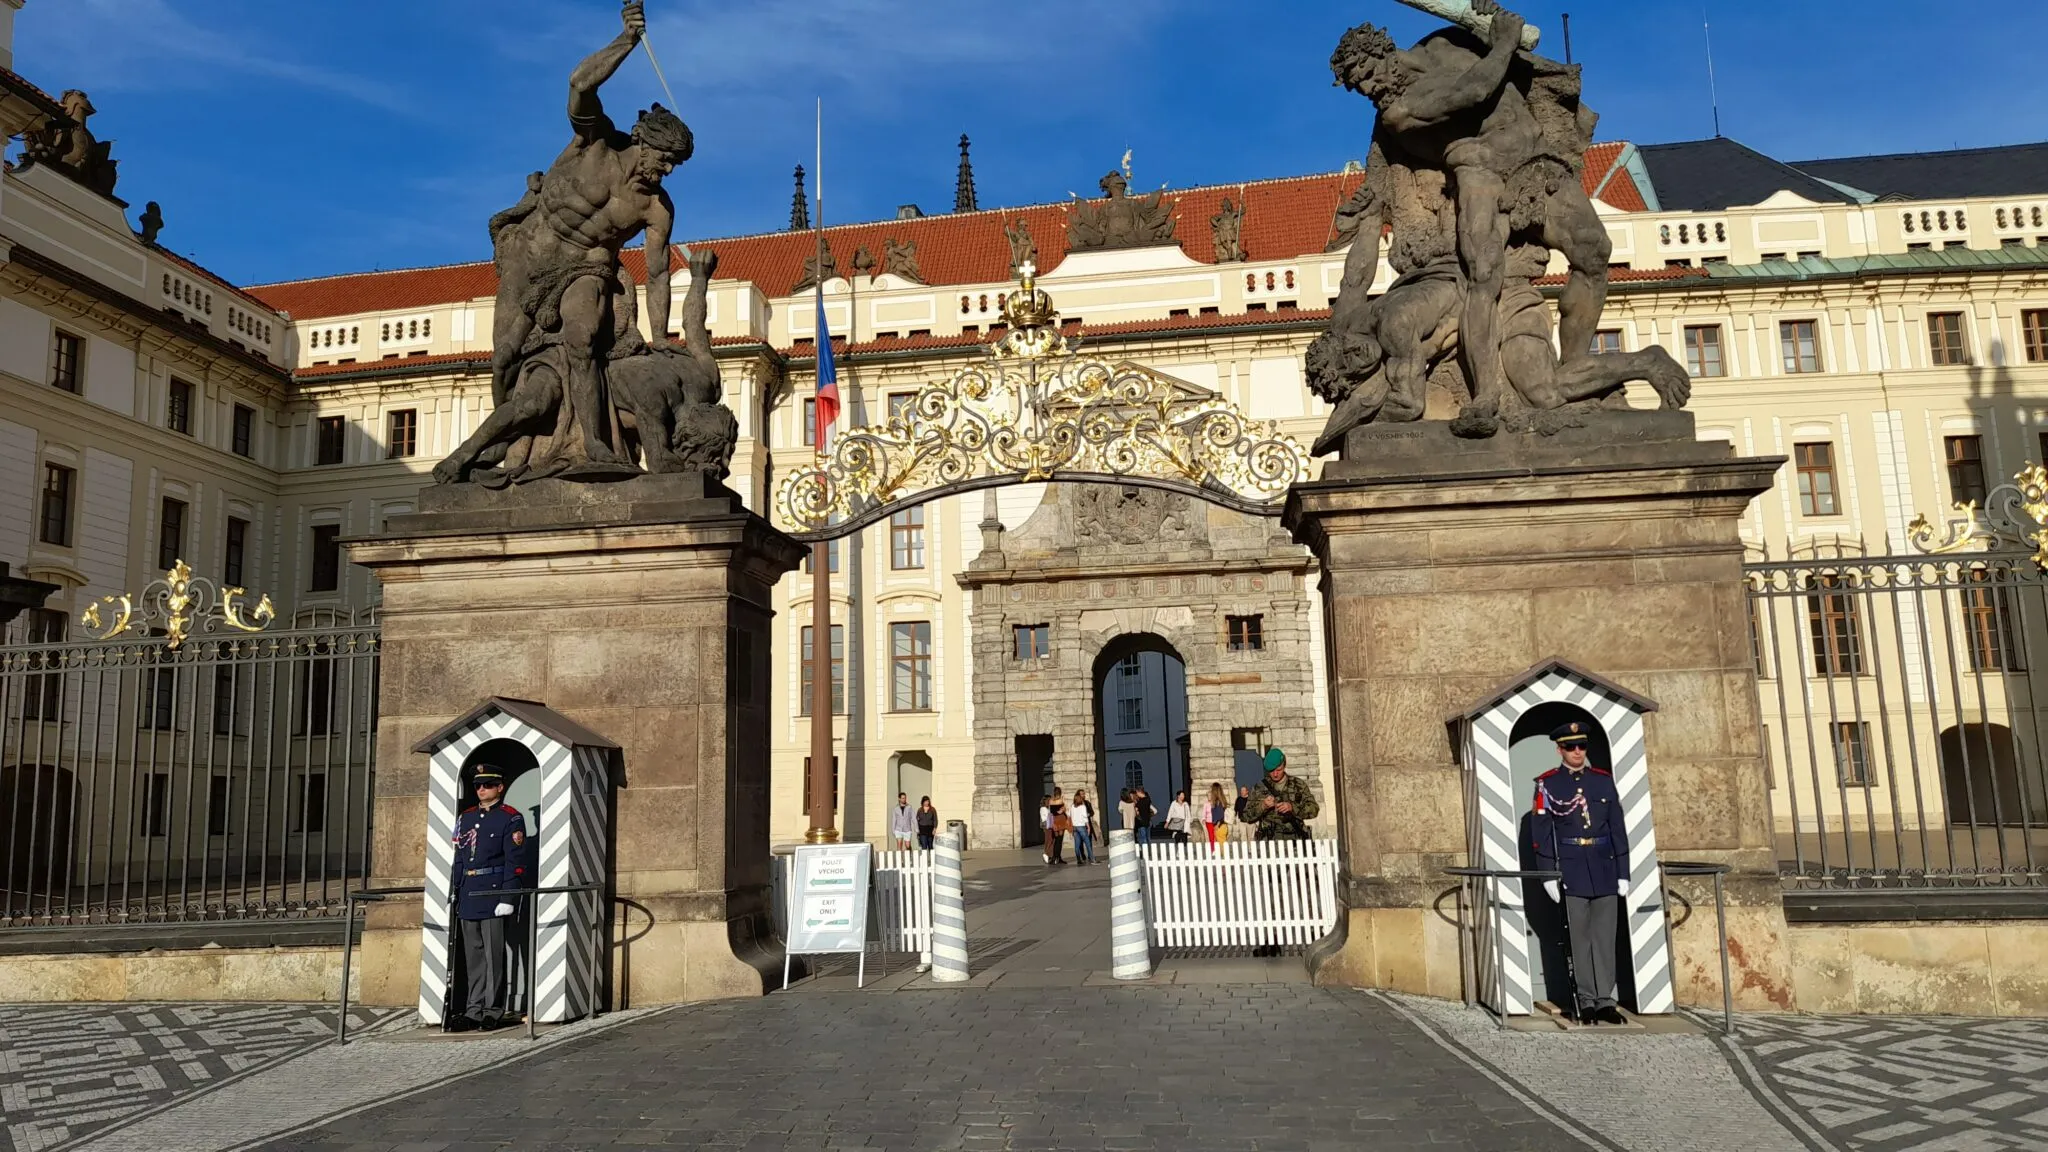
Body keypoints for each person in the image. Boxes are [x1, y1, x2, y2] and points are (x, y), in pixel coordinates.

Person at [1531, 720, 1630, 1025]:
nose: (1577, 752)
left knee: (1603, 937)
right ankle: (1585, 1000)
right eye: (1570, 746)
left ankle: (1604, 1001)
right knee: (1579, 937)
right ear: (1559, 749)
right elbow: (1541, 832)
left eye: (1582, 746)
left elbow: (1617, 828)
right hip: (1572, 869)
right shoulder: (1547, 784)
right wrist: (1548, 873)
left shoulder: (1602, 781)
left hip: (1603, 866)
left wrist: (1623, 871)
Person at [449, 765, 531, 1032]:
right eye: (478, 786)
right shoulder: (467, 816)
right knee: (474, 957)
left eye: (487, 785)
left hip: (494, 891)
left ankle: (492, 1010)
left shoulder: (511, 818)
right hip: (470, 892)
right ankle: (473, 1009)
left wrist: (508, 895)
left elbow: (515, 862)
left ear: (500, 787)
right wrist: (455, 889)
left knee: (495, 955)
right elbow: (460, 858)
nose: (481, 790)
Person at [1245, 749, 1321, 956]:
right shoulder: (1261, 788)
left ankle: (1316, 933)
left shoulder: (1297, 785)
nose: (1275, 774)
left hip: (1296, 845)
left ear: (1284, 765)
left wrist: (1293, 808)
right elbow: (1247, 815)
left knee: (1306, 891)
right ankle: (1272, 940)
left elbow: (1313, 809)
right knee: (1272, 895)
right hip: (1271, 847)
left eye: (1278, 770)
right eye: (1271, 771)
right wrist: (1263, 806)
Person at [1071, 789, 1098, 865]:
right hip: (1082, 827)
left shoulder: (1072, 806)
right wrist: (1088, 827)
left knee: (1077, 845)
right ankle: (1092, 859)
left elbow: (1071, 816)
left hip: (1075, 827)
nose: (1083, 796)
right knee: (1088, 843)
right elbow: (1085, 818)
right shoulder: (1083, 807)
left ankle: (1078, 860)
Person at [1202, 782, 1231, 847]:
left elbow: (1220, 815)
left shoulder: (1218, 802)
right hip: (1222, 826)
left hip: (1219, 827)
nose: (1211, 792)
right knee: (1221, 845)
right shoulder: (1221, 800)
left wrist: (1217, 825)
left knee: (1221, 847)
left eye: (1211, 790)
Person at [1046, 788, 1070, 865]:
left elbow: (1051, 812)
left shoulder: (1050, 801)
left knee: (1056, 839)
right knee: (1060, 840)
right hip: (1061, 820)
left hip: (1054, 821)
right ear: (1060, 792)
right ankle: (1058, 858)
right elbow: (1062, 810)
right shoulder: (1061, 800)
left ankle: (1054, 858)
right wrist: (1062, 809)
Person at [1039, 793, 1053, 864]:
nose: (1051, 801)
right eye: (1049, 800)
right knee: (1049, 840)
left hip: (1049, 825)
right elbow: (1044, 818)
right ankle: (1046, 854)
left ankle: (1049, 855)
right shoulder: (1043, 808)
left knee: (1049, 840)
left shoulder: (1048, 808)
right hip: (1047, 826)